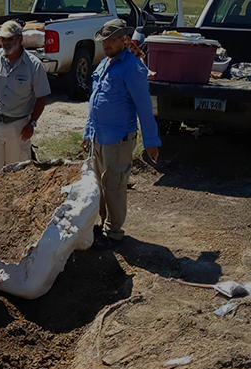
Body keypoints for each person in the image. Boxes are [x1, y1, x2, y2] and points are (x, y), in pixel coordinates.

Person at [81, 19, 161, 250]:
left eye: (112, 40)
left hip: (118, 140)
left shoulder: (132, 68)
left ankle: (114, 232)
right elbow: (94, 102)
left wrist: (151, 142)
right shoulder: (103, 65)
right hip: (99, 137)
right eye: (104, 40)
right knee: (99, 184)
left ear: (123, 40)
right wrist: (88, 131)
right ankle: (103, 224)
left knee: (114, 186)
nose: (107, 44)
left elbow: (145, 108)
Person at [0, 20, 51, 175]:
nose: (6, 43)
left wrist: (32, 123)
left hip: (18, 125)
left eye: (10, 39)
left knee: (17, 172)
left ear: (20, 39)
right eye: (3, 39)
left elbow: (41, 98)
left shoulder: (34, 66)